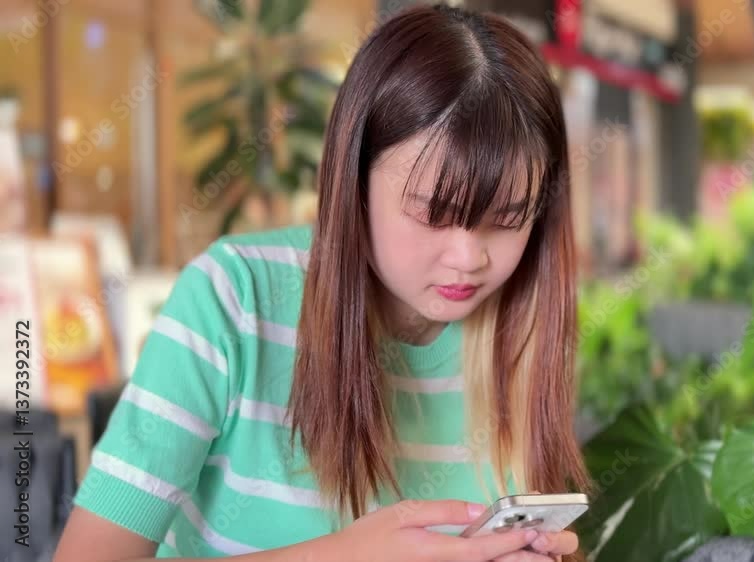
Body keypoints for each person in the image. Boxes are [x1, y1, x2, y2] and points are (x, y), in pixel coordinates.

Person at [53, 4, 591, 561]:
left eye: (506, 219)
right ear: (352, 182)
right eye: (433, 213)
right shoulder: (234, 301)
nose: (469, 257)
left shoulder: (523, 329)